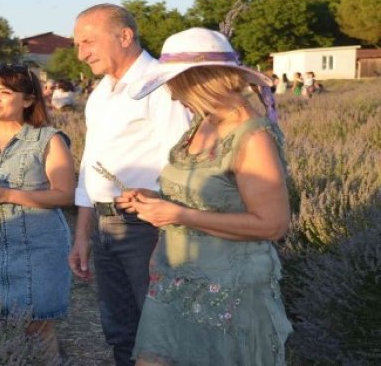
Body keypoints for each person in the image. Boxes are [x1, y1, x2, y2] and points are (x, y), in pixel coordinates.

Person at [115, 27, 292, 365]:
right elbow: (207, 196)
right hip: (174, 276)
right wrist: (153, 198)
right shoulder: (201, 123)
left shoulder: (253, 137)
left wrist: (177, 215)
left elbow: (272, 225)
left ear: (199, 80)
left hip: (228, 287)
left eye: (173, 83)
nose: (169, 94)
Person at [69, 4, 191, 366]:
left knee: (159, 333)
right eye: (77, 44)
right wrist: (82, 235)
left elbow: (183, 167)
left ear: (125, 36)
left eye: (88, 41)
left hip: (146, 228)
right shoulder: (101, 93)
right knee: (120, 330)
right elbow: (90, 167)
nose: (81, 53)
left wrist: (168, 233)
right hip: (107, 228)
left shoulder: (161, 85)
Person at [0, 64, 75, 358]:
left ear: (29, 100)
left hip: (38, 247)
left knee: (37, 325)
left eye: (4, 92)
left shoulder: (48, 140)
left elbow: (65, 195)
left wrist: (8, 194)